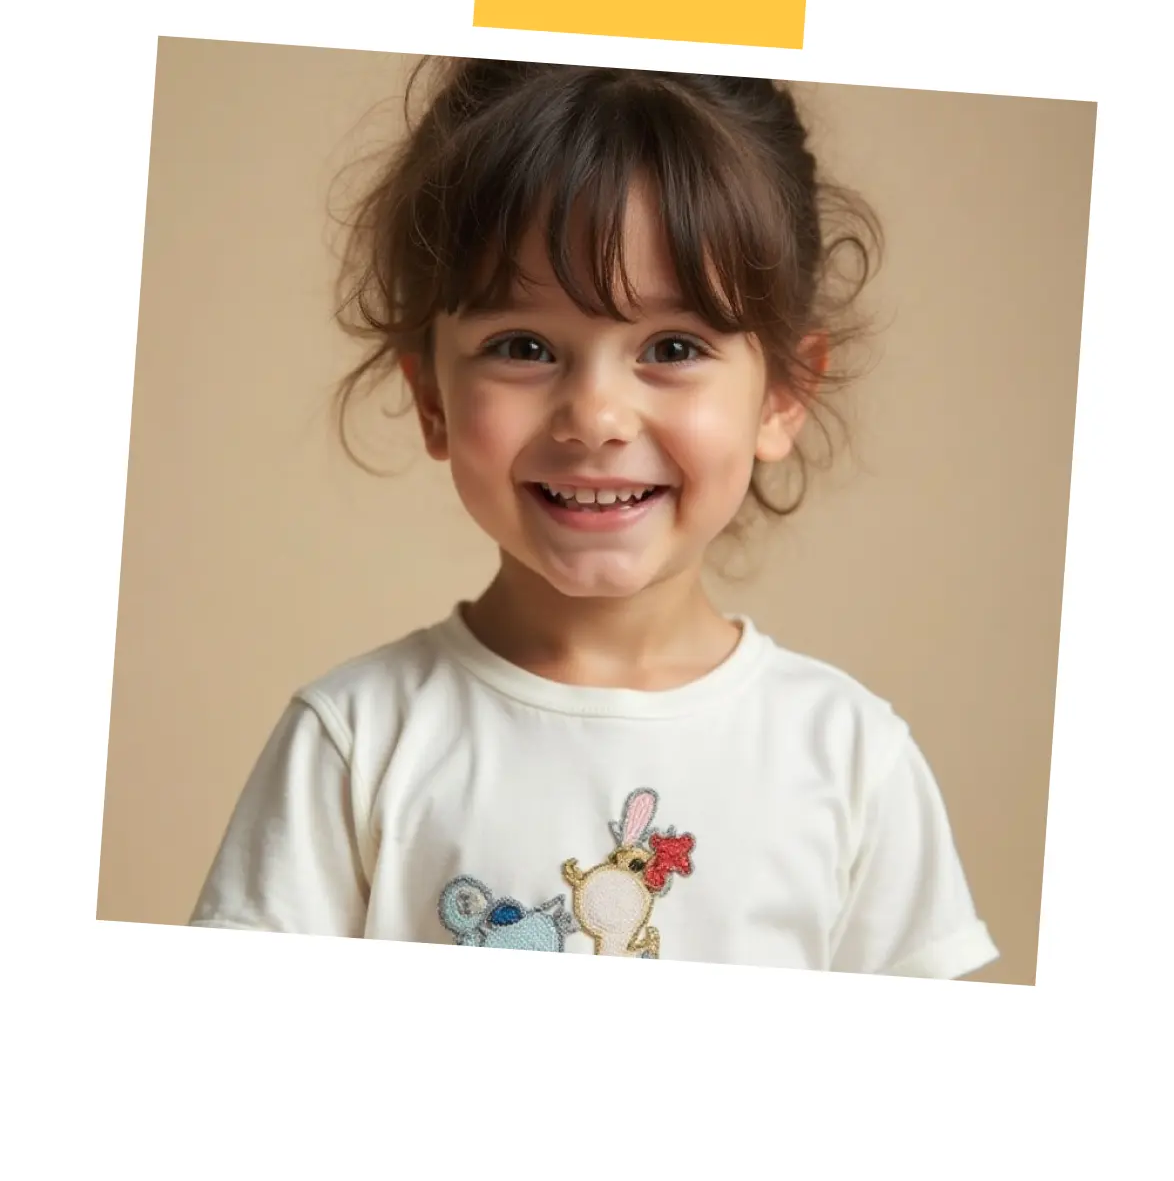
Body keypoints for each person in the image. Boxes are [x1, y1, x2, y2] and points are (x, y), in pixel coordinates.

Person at [190, 59, 998, 979]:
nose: (598, 417)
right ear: (433, 402)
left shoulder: (851, 760)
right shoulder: (356, 740)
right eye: (523, 347)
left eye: (673, 347)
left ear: (781, 392)